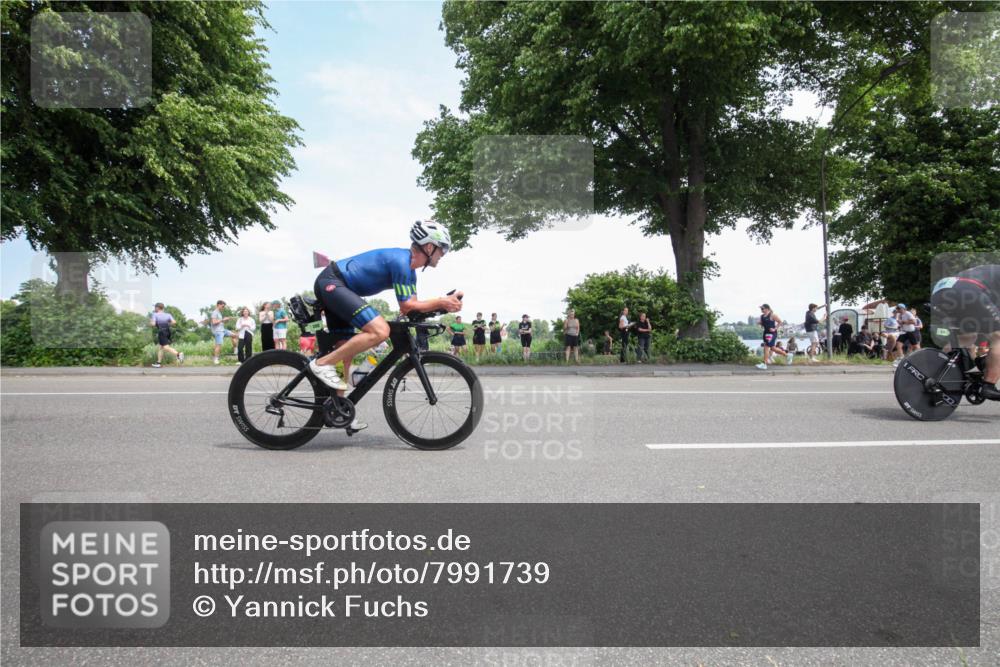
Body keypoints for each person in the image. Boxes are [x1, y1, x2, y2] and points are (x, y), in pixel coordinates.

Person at [308, 220, 462, 391]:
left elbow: (412, 309)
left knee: (344, 351)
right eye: (442, 248)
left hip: (340, 287)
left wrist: (442, 306)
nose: (443, 254)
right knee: (380, 331)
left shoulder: (410, 272)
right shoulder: (401, 261)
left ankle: (336, 411)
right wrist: (441, 301)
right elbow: (408, 305)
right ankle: (322, 364)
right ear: (428, 247)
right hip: (332, 282)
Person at [930, 263, 1000, 400]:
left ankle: (935, 371)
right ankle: (989, 385)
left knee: (967, 337)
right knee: (998, 336)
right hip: (967, 290)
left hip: (941, 292)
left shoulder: (989, 269)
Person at [149, 303, 184, 368]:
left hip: (161, 332)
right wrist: (167, 324)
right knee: (161, 348)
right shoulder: (168, 315)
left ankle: (178, 354)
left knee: (165, 347)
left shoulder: (155, 314)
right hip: (168, 331)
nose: (154, 308)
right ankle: (158, 363)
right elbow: (174, 322)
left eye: (155, 307)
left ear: (157, 308)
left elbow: (153, 324)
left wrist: (150, 323)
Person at [756, 303, 788, 370]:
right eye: (761, 309)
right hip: (766, 333)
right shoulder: (762, 316)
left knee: (766, 347)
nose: (761, 310)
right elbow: (762, 323)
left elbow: (780, 322)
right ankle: (787, 355)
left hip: (772, 333)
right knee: (773, 348)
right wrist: (759, 323)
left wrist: (775, 329)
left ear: (767, 309)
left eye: (762, 308)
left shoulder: (772, 315)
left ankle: (764, 364)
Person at [209, 299, 238, 365]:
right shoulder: (215, 312)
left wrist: (227, 320)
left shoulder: (219, 312)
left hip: (223, 330)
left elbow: (220, 322)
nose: (223, 308)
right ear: (218, 305)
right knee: (218, 345)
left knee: (235, 335)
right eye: (222, 306)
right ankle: (216, 359)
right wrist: (222, 320)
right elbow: (213, 322)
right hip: (218, 331)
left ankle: (235, 349)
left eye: (224, 306)